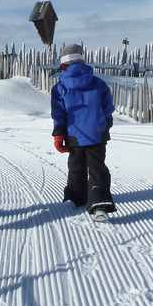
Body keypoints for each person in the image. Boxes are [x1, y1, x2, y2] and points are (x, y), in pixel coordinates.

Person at [50, 43, 117, 219]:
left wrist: (59, 133)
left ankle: (75, 197)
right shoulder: (98, 83)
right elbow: (108, 108)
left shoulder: (59, 88)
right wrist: (105, 124)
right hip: (97, 133)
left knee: (76, 166)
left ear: (64, 65)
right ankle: (99, 202)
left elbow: (59, 114)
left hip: (74, 135)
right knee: (97, 167)